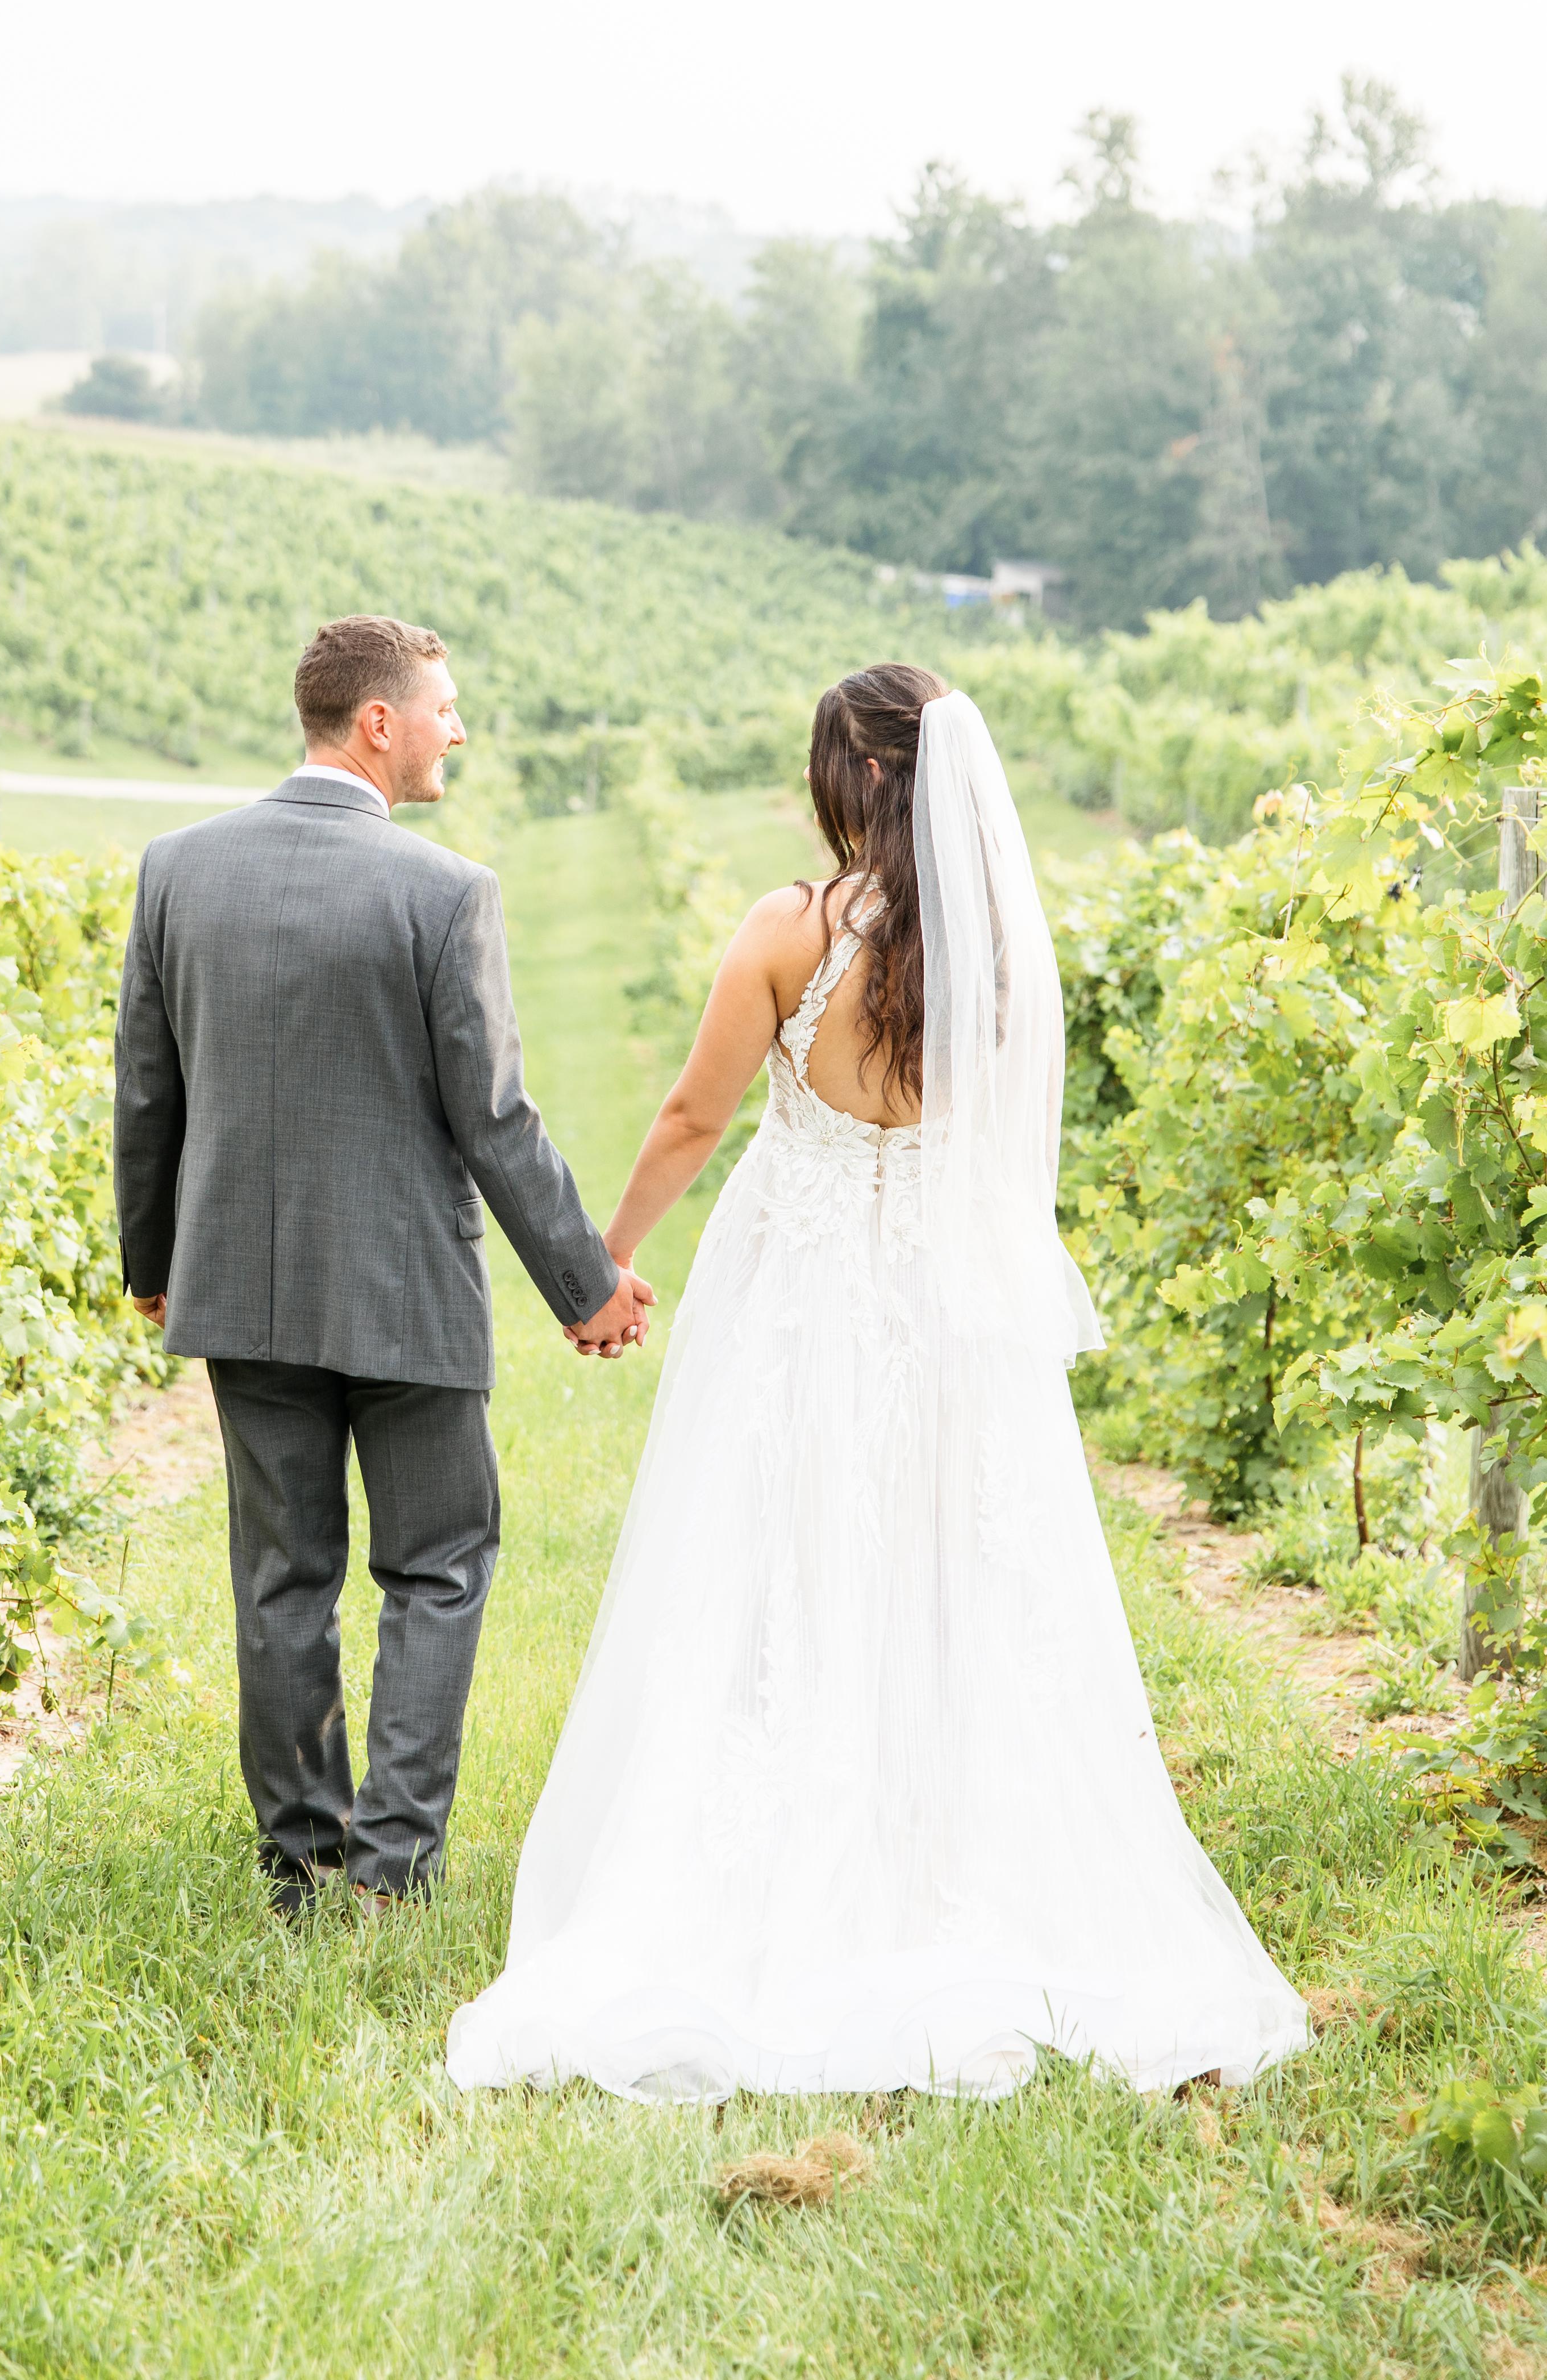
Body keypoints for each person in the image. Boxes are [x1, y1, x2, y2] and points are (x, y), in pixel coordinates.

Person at [448, 664, 1308, 2100]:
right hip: (947, 1291)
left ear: (846, 781)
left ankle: (785, 1831)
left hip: (800, 1286)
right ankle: (944, 1842)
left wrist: (605, 1259)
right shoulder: (998, 948)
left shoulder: (789, 928)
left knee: (778, 1549)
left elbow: (696, 1112)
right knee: (950, 1558)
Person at [112, 614, 652, 1916]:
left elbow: (145, 1088)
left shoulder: (179, 868)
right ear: (378, 722)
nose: (456, 728)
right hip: (407, 1292)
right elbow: (495, 1117)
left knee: (280, 1575)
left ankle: (302, 1862)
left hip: (240, 1285)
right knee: (440, 1563)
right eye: (443, 708)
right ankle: (392, 1868)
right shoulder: (445, 891)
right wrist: (588, 1282)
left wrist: (155, 1260)